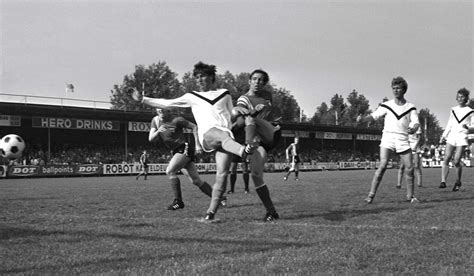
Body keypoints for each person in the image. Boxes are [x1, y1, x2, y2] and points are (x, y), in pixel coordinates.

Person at [132, 61, 257, 222]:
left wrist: (240, 111)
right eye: (196, 77)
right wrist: (143, 99)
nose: (199, 79)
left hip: (226, 137)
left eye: (202, 76)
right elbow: (167, 103)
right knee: (219, 135)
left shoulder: (225, 93)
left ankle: (210, 214)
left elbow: (229, 114)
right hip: (208, 136)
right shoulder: (191, 96)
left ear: (211, 77)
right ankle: (243, 151)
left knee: (222, 175)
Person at [148, 108, 226, 210]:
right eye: (159, 110)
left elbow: (194, 127)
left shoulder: (177, 120)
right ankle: (220, 198)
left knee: (170, 171)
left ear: (168, 110)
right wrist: (158, 131)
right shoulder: (156, 121)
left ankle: (178, 202)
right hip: (176, 151)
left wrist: (198, 145)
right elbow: (151, 138)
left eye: (163, 109)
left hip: (184, 148)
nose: (161, 112)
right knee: (196, 180)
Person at [357, 76, 420, 204]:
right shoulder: (386, 105)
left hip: (403, 138)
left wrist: (413, 129)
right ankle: (371, 195)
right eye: (394, 88)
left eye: (398, 88)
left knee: (410, 167)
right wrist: (362, 119)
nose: (396, 90)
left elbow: (416, 123)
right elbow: (373, 116)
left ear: (404, 90)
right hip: (388, 138)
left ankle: (411, 196)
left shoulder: (410, 107)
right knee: (383, 165)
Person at [231, 68, 279, 222]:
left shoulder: (267, 96)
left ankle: (247, 147)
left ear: (264, 83)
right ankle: (271, 212)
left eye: (261, 80)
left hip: (269, 132)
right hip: (258, 141)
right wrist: (246, 111)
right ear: (249, 81)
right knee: (256, 175)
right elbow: (240, 117)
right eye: (255, 79)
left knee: (250, 120)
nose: (258, 82)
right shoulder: (244, 99)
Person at [439, 88, 473, 191]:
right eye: (458, 97)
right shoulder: (453, 109)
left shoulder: (470, 111)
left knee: (457, 160)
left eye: (462, 97)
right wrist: (444, 135)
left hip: (462, 137)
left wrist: (468, 128)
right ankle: (443, 181)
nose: (459, 99)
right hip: (452, 136)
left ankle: (458, 181)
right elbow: (449, 124)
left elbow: (473, 125)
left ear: (466, 98)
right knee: (446, 158)